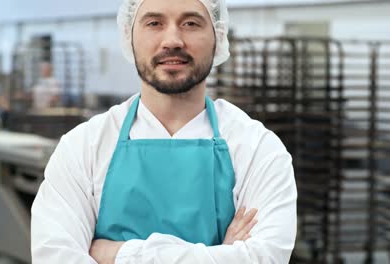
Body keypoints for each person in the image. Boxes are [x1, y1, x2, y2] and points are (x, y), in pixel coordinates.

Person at [31, 0, 297, 263]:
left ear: (218, 35)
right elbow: (55, 256)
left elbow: (265, 258)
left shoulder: (259, 150)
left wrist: (117, 254)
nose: (172, 40)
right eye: (154, 23)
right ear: (129, 35)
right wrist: (221, 255)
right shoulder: (83, 147)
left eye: (191, 23)